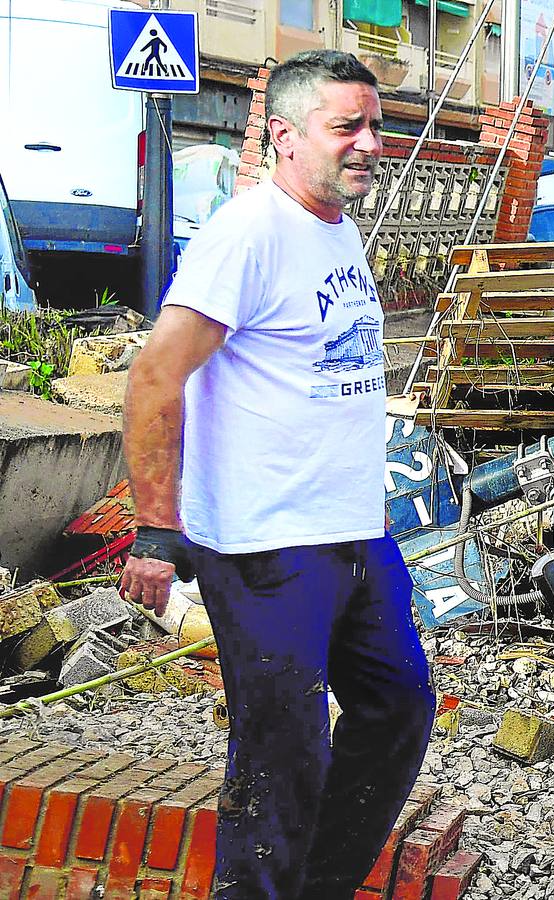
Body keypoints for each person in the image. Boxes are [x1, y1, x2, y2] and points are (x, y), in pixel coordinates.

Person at [120, 50, 433, 899]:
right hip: (267, 545)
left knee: (399, 709)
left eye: (376, 125)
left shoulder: (333, 226)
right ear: (288, 136)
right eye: (347, 128)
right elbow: (155, 376)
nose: (369, 143)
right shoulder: (249, 233)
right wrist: (157, 528)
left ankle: (320, 885)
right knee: (282, 750)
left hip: (353, 533)